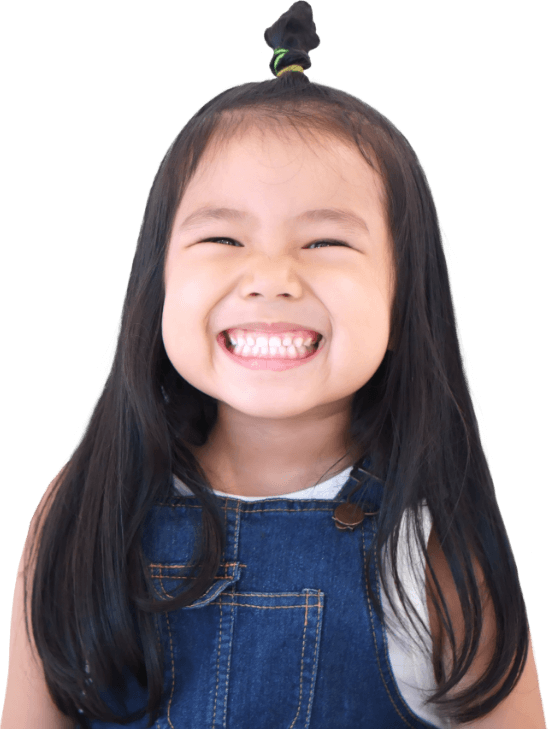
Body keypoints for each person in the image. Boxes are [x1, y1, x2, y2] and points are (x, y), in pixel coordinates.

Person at [1, 1, 546, 728]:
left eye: (324, 243)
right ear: (156, 280)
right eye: (222, 239)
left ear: (402, 290)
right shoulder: (89, 506)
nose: (271, 278)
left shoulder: (433, 539)